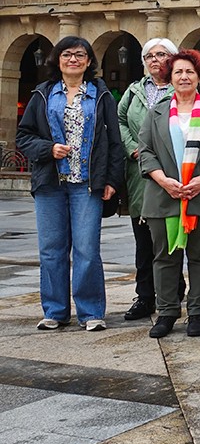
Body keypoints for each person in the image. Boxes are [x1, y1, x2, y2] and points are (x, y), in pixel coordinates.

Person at [17, 36, 123, 332]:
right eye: (67, 54)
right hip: (51, 182)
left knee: (87, 249)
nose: (73, 59)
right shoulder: (43, 94)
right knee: (51, 249)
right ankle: (55, 311)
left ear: (90, 62)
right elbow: (23, 137)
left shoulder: (102, 96)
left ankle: (91, 313)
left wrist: (112, 179)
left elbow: (115, 143)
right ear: (57, 60)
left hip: (87, 184)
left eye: (80, 55)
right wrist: (48, 149)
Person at [138, 50, 200, 338]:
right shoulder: (156, 113)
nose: (184, 77)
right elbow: (146, 151)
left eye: (190, 72)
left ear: (199, 77)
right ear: (170, 77)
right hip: (163, 195)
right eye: (178, 72)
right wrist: (163, 180)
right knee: (165, 257)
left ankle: (196, 313)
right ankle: (166, 312)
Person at [118, 37, 185, 322]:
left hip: (171, 172)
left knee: (171, 237)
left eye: (162, 55)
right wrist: (133, 147)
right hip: (139, 174)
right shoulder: (133, 92)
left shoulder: (180, 88)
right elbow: (120, 120)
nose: (155, 60)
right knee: (143, 238)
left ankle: (173, 289)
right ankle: (145, 295)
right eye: (150, 56)